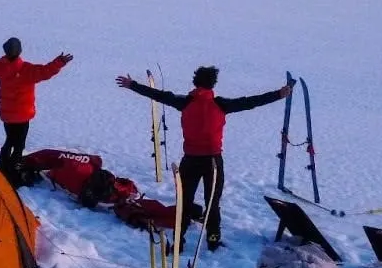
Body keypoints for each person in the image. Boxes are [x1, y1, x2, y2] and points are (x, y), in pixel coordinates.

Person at [116, 67, 292, 251]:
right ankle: (213, 241)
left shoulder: (185, 102)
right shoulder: (221, 104)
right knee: (212, 204)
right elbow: (251, 102)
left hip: (190, 161)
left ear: (195, 82)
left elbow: (158, 95)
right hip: (213, 162)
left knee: (184, 203)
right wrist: (278, 94)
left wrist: (132, 85)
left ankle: (178, 242)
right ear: (213, 84)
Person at [0, 36, 73, 186]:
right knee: (18, 145)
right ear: (20, 51)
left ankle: (4, 169)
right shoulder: (27, 70)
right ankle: (13, 174)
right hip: (23, 117)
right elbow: (46, 71)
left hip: (7, 115)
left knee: (9, 141)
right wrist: (60, 62)